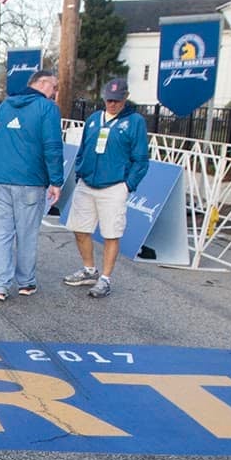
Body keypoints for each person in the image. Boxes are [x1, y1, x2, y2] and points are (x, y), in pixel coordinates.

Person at [0, 68, 63, 302]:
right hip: (31, 181)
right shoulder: (47, 109)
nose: (56, 92)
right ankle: (25, 282)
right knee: (26, 234)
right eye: (54, 87)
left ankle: (0, 286)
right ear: (43, 84)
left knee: (1, 234)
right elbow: (52, 147)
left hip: (1, 179)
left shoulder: (5, 106)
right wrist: (56, 180)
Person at [65, 77, 149, 299]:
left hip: (114, 186)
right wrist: (80, 171)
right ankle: (89, 270)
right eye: (109, 100)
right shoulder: (93, 119)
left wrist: (128, 185)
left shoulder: (135, 122)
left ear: (125, 98)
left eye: (117, 101)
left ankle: (105, 278)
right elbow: (83, 148)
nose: (112, 104)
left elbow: (141, 158)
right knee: (80, 228)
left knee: (111, 233)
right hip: (87, 182)